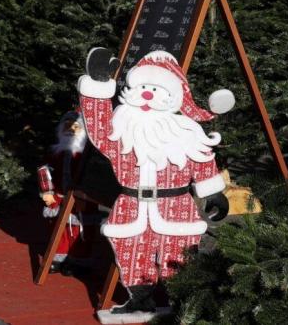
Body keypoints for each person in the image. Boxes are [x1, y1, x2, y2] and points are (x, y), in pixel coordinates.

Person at [77, 48, 233, 322]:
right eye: (144, 87)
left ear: (174, 97)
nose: (148, 94)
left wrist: (213, 192)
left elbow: (202, 160)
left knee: (179, 256)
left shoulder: (186, 132)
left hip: (177, 207)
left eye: (157, 89)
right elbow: (99, 126)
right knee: (131, 252)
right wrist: (99, 85)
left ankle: (181, 302)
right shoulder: (121, 131)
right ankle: (141, 300)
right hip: (131, 206)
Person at [37, 111, 94, 275]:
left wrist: (86, 196)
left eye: (76, 126)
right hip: (59, 196)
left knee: (80, 233)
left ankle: (78, 262)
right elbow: (45, 172)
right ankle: (58, 259)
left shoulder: (86, 156)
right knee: (59, 229)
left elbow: (91, 177)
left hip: (81, 200)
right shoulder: (56, 152)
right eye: (67, 126)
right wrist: (47, 192)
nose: (71, 129)